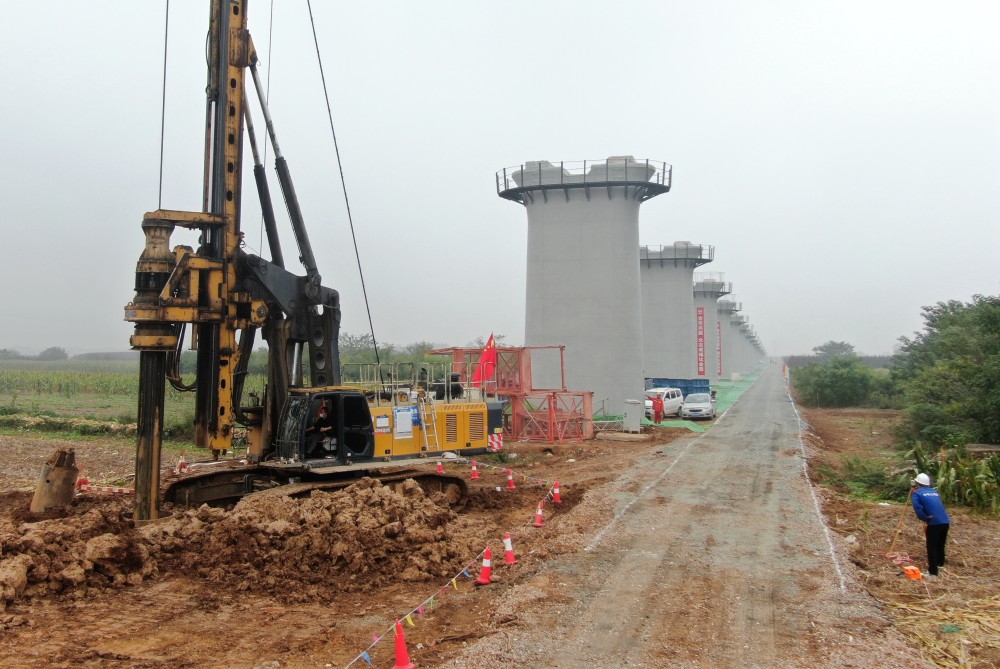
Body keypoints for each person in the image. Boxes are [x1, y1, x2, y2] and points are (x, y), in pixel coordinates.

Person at [911, 472, 950, 576]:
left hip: (934, 522)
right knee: (940, 544)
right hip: (945, 521)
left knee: (931, 546)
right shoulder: (935, 492)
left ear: (917, 483)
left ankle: (933, 572)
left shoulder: (917, 493)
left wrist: (925, 518)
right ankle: (940, 564)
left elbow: (918, 509)